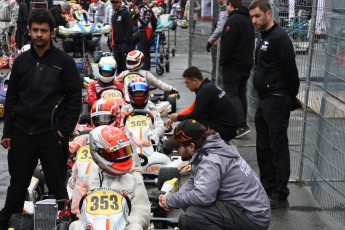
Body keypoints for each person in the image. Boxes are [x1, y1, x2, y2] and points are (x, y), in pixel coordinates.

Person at [0, 9, 82, 229]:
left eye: (43, 31)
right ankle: (9, 222)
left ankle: (67, 224)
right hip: (22, 134)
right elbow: (12, 98)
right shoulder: (21, 62)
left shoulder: (64, 62)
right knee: (17, 187)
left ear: (51, 33)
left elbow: (75, 98)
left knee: (58, 187)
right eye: (35, 30)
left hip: (51, 135)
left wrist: (63, 130)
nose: (39, 35)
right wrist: (7, 131)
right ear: (29, 31)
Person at [160, 119, 271, 229]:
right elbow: (193, 181)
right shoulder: (208, 148)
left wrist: (171, 200)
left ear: (192, 146)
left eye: (177, 147)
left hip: (254, 219)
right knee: (190, 204)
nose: (176, 151)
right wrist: (171, 200)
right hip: (249, 210)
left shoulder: (210, 160)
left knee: (193, 216)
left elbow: (203, 196)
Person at [249, 0, 300, 209]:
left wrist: (287, 97)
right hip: (264, 99)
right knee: (263, 147)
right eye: (252, 17)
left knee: (278, 148)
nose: (254, 20)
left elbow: (292, 73)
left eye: (257, 16)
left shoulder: (280, 38)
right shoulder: (263, 38)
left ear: (269, 14)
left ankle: (280, 194)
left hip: (277, 99)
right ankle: (267, 188)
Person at [69, 125, 151, 230]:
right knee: (75, 226)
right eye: (115, 154)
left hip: (123, 225)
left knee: (135, 227)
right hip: (93, 225)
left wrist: (123, 222)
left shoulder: (134, 181)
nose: (121, 157)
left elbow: (142, 212)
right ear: (98, 153)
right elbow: (77, 211)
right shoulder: (85, 180)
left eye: (124, 152)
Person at [167, 66, 238, 142]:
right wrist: (177, 116)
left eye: (187, 82)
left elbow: (194, 116)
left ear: (195, 81)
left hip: (226, 130)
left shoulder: (204, 91)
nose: (186, 85)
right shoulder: (207, 86)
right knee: (196, 121)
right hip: (228, 126)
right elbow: (193, 108)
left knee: (192, 126)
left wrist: (178, 118)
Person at [219, 0, 254, 139]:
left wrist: (223, 61)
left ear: (230, 5)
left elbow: (227, 44)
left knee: (232, 93)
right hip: (246, 63)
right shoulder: (247, 19)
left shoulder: (233, 20)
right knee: (240, 93)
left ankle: (240, 124)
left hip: (233, 64)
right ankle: (241, 123)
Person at [121, 75, 165, 147]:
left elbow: (159, 126)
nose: (138, 95)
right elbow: (121, 128)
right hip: (131, 143)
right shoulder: (125, 109)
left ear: (146, 93)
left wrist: (152, 138)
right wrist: (132, 139)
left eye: (141, 92)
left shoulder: (152, 108)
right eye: (136, 92)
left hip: (149, 143)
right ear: (130, 93)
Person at [133, 0, 156, 70]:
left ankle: (147, 69)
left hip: (146, 31)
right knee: (130, 41)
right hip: (139, 31)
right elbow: (133, 21)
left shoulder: (147, 10)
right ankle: (133, 62)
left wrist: (137, 15)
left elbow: (145, 23)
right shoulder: (138, 9)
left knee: (146, 51)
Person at [111, 0, 133, 74]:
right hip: (116, 44)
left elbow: (129, 29)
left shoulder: (125, 13)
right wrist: (113, 43)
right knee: (118, 66)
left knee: (125, 66)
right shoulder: (113, 15)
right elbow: (113, 31)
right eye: (113, 2)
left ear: (120, 3)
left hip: (124, 44)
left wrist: (127, 43)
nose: (114, 4)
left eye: (116, 2)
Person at [0, 0, 18, 65]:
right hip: (2, 23)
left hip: (9, 23)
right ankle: (6, 57)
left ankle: (13, 57)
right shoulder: (1, 2)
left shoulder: (12, 2)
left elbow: (15, 14)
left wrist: (12, 24)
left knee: (11, 42)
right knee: (3, 41)